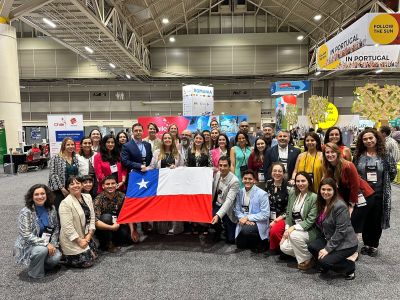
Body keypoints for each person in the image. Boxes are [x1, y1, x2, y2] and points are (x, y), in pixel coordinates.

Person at [353, 128, 397, 257]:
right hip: (363, 194)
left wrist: (384, 182)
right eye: (365, 139)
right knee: (365, 219)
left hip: (379, 194)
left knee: (376, 220)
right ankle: (366, 243)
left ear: (376, 138)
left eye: (370, 138)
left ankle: (373, 245)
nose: (368, 141)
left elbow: (392, 172)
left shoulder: (385, 155)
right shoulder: (358, 155)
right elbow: (354, 173)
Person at [308, 178, 358, 280]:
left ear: (334, 190)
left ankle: (350, 267)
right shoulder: (321, 203)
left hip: (345, 243)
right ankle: (328, 264)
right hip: (330, 237)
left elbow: (341, 231)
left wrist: (327, 249)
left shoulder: (340, 206)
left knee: (324, 261)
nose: (325, 192)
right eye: (323, 189)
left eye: (329, 190)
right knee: (312, 246)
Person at [323, 142, 374, 236]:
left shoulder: (348, 165)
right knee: (347, 223)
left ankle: (352, 248)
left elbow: (355, 186)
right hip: (349, 197)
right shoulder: (329, 167)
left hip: (362, 196)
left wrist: (351, 205)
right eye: (327, 152)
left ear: (338, 153)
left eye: (332, 152)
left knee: (352, 223)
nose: (330, 154)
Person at [13, 184, 61, 279]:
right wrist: (46, 244)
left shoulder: (51, 208)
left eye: (42, 193)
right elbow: (26, 234)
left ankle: (40, 265)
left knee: (57, 256)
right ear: (32, 197)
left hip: (47, 242)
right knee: (41, 250)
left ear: (47, 195)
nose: (40, 197)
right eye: (36, 194)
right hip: (29, 244)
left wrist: (53, 244)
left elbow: (56, 228)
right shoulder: (26, 211)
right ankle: (35, 273)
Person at [280, 172, 319, 270]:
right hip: (295, 230)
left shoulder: (314, 197)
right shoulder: (293, 193)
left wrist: (292, 229)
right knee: (283, 247)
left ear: (309, 182)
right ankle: (311, 257)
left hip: (310, 230)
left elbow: (310, 221)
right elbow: (288, 213)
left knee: (293, 235)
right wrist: (287, 230)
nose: (300, 183)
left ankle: (306, 261)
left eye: (303, 181)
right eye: (298, 181)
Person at [150, 132, 185, 235]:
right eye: (165, 138)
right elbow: (152, 167)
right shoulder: (157, 153)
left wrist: (176, 168)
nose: (167, 140)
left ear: (172, 140)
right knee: (162, 206)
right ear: (162, 140)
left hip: (175, 185)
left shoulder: (178, 153)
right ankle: (162, 229)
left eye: (169, 138)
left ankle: (176, 229)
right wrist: (142, 169)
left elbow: (183, 168)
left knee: (175, 206)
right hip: (161, 185)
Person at [59, 176, 97, 268]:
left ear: (82, 185)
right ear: (68, 188)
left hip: (85, 234)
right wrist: (79, 241)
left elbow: (92, 217)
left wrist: (89, 235)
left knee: (94, 256)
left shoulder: (87, 197)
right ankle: (65, 256)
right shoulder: (65, 203)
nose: (75, 186)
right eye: (72, 184)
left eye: (78, 183)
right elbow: (67, 227)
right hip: (72, 239)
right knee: (87, 262)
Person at [94, 176, 138, 252]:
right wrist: (111, 228)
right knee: (106, 217)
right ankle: (108, 243)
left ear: (117, 185)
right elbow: (95, 221)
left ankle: (116, 240)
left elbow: (128, 214)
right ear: (103, 186)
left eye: (113, 183)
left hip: (118, 224)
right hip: (105, 228)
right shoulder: (98, 199)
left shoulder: (122, 196)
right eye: (107, 184)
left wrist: (132, 230)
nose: (110, 186)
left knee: (129, 239)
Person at [234, 170, 270, 252]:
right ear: (242, 180)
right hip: (244, 221)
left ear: (254, 180)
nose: (247, 181)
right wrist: (244, 219)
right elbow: (237, 210)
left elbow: (265, 214)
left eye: (250, 179)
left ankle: (261, 241)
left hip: (258, 221)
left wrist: (248, 218)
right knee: (239, 245)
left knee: (246, 230)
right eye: (245, 178)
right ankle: (251, 240)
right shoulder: (239, 192)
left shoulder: (262, 194)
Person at [210, 156, 240, 244]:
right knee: (210, 215)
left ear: (229, 166)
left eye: (225, 165)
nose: (222, 168)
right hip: (217, 204)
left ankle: (226, 228)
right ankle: (218, 231)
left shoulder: (234, 181)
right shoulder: (217, 174)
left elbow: (229, 201)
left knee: (231, 240)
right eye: (220, 165)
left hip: (228, 209)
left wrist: (218, 215)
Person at [48, 137, 79, 211]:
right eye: (68, 144)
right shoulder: (56, 158)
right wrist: (62, 189)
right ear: (63, 146)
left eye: (72, 144)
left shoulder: (75, 158)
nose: (71, 146)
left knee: (72, 209)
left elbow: (77, 174)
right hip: (59, 190)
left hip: (72, 188)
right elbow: (53, 174)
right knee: (60, 210)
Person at [266, 163, 289, 254]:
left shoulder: (289, 188)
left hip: (283, 217)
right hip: (269, 214)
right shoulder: (268, 184)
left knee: (274, 230)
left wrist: (275, 221)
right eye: (274, 171)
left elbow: (289, 209)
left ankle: (284, 248)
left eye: (280, 171)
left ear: (284, 173)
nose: (277, 173)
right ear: (271, 172)